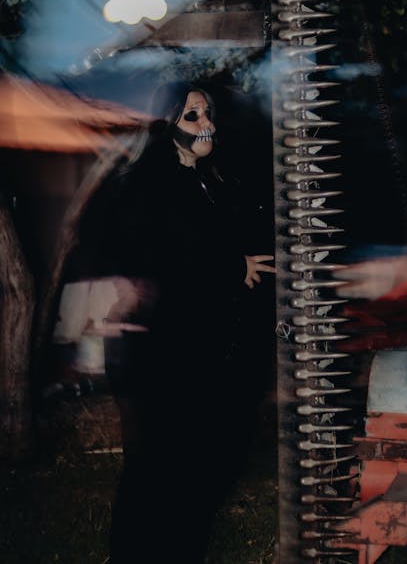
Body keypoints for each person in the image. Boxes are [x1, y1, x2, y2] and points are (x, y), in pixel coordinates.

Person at [69, 80, 276, 563]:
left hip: (193, 351)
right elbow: (162, 258)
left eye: (207, 114)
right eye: (193, 116)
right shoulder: (149, 183)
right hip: (155, 357)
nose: (207, 125)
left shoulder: (207, 179)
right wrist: (233, 268)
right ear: (167, 126)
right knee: (155, 469)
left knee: (193, 473)